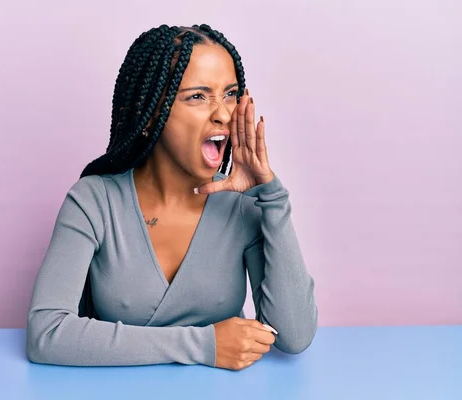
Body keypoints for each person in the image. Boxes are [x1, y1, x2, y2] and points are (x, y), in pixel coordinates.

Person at [26, 23, 318, 371]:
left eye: (230, 94)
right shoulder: (94, 201)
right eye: (198, 96)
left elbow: (295, 336)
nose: (223, 113)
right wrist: (203, 344)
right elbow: (47, 333)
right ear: (154, 112)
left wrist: (272, 196)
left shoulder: (244, 206)